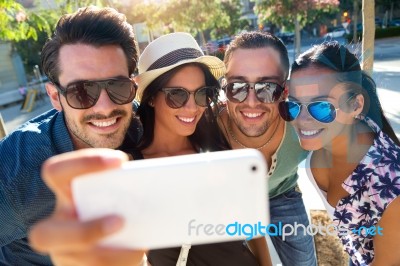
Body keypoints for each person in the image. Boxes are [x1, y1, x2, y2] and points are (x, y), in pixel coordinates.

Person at [30, 32, 269, 266]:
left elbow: (253, 228)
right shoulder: (127, 168)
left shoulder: (216, 149)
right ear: (152, 98)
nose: (192, 107)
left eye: (202, 94)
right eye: (177, 95)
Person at [0, 6, 139, 265]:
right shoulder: (15, 172)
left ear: (134, 87)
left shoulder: (143, 125)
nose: (105, 107)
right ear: (55, 97)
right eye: (82, 92)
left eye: (118, 87)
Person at [279, 42, 400, 265]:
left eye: (322, 107)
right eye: (293, 105)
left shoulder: (391, 187)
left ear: (355, 106)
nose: (302, 119)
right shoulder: (318, 151)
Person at [218, 31, 316, 265]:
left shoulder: (305, 124)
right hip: (231, 201)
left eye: (268, 87)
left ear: (286, 90)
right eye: (237, 87)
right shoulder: (209, 127)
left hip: (283, 194)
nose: (251, 101)